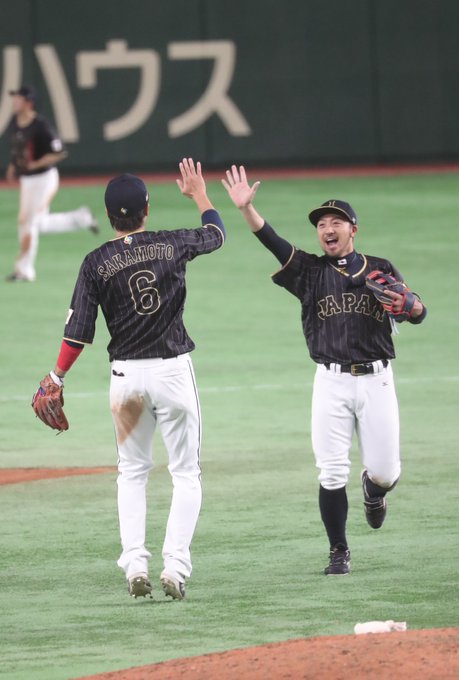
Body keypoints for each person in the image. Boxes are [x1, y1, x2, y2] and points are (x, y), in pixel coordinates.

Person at [33, 159, 226, 598]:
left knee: (132, 473)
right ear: (146, 209)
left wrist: (55, 375)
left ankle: (135, 566)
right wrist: (198, 194)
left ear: (108, 216)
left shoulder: (95, 261)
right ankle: (174, 568)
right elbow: (216, 234)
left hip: (126, 380)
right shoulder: (171, 242)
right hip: (173, 371)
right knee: (186, 474)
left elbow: (77, 332)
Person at [222, 165, 427, 576]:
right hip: (330, 382)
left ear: (354, 229)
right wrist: (248, 210)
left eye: (336, 222)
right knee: (331, 471)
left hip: (377, 381)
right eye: (321, 224)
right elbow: (275, 243)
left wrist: (414, 306)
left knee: (386, 472)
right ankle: (338, 550)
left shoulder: (380, 267)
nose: (327, 229)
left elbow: (415, 311)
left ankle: (374, 491)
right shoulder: (310, 273)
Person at [5, 84, 98, 282]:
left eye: (18, 97)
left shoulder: (40, 125)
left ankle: (25, 270)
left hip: (45, 179)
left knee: (29, 222)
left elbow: (59, 151)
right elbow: (18, 149)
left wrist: (37, 163)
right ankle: (81, 218)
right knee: (36, 224)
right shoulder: (16, 122)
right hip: (28, 181)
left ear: (29, 102)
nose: (14, 100)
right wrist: (14, 165)